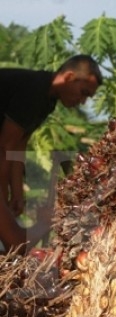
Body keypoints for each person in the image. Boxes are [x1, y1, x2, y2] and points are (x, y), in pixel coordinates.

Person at [0, 54, 102, 254]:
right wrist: (46, 222)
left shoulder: (46, 98)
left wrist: (18, 194)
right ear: (68, 76)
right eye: (83, 92)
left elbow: (18, 145)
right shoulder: (34, 91)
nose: (82, 101)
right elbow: (4, 147)